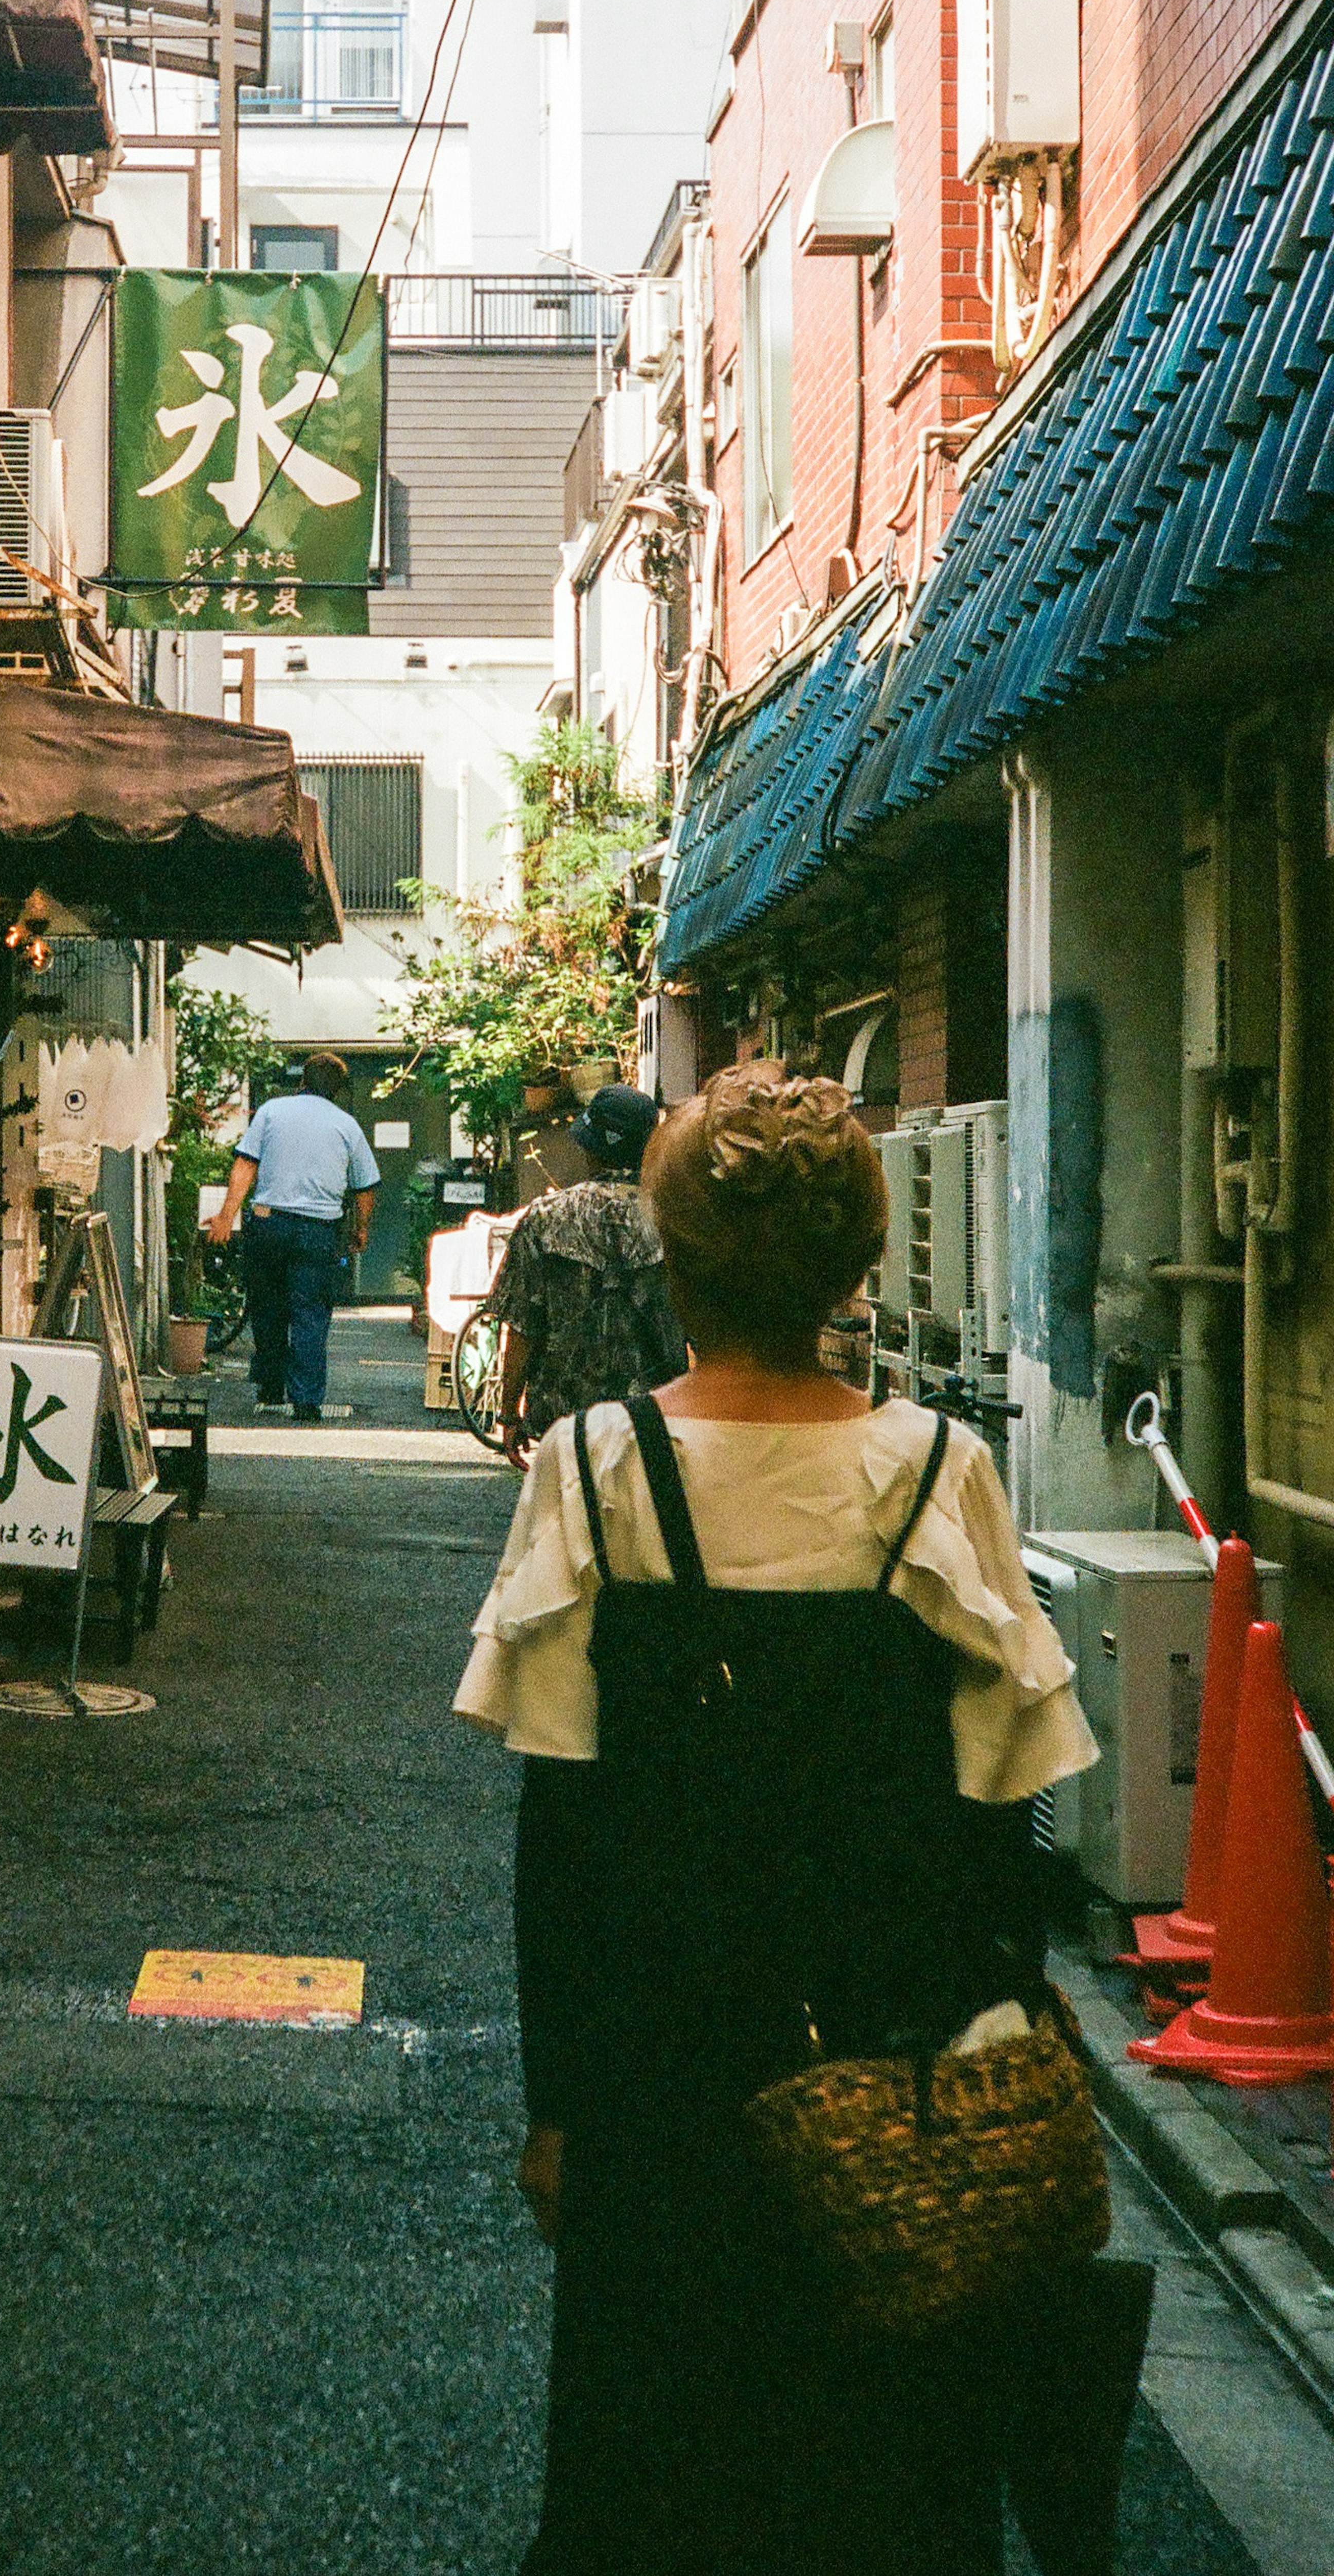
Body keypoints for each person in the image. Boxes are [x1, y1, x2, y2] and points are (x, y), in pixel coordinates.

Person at [455, 1060, 1099, 2576]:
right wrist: (1003, 2057)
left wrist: (558, 2105)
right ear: (854, 1265)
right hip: (898, 2071)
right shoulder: (938, 1470)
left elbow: (562, 1823)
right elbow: (1000, 1815)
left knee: (645, 2479)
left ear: (671, 1256)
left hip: (652, 2074)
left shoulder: (595, 1466)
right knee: (886, 2485)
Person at [488, 1083, 686, 1468]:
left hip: (563, 1423)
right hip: (654, 1420)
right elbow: (706, 1331)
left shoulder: (546, 1218)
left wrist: (510, 1414)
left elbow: (522, 1327)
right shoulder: (678, 1220)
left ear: (589, 1147)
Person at [205, 1051, 379, 1422]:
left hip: (270, 1225)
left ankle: (270, 1385)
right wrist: (361, 1230)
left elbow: (245, 1164)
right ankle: (306, 1400)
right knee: (311, 1313)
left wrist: (226, 1216)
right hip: (320, 1230)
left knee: (267, 1307)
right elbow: (366, 1188)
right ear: (338, 1089)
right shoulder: (348, 1126)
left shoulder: (271, 1111)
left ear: (302, 1080)